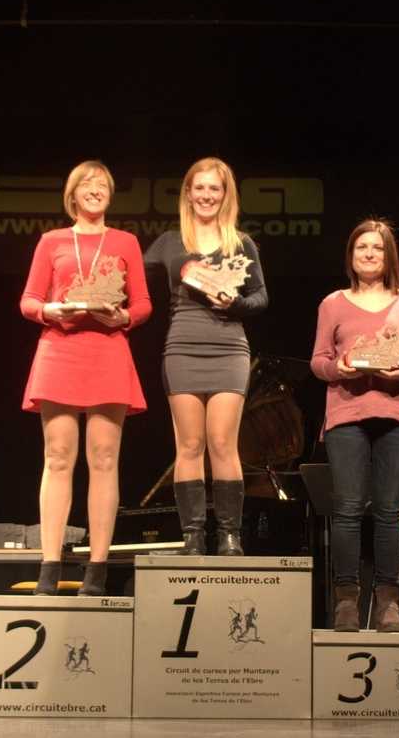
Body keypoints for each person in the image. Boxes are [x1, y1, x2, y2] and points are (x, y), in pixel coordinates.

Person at [20, 160, 151, 595]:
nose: (95, 190)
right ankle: (49, 566)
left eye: (103, 185)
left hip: (108, 350)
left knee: (104, 458)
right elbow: (28, 300)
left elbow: (143, 304)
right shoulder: (52, 241)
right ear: (73, 195)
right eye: (87, 184)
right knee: (58, 457)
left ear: (110, 195)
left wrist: (124, 317)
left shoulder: (126, 242)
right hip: (60, 349)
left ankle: (97, 569)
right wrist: (49, 310)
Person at [310, 219, 399, 632]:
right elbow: (319, 361)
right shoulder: (332, 303)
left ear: (388, 256)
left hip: (397, 416)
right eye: (362, 247)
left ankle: (388, 604)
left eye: (377, 248)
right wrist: (339, 369)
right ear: (351, 255)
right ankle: (346, 601)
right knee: (346, 510)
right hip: (347, 415)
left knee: (388, 513)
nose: (369, 254)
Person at [144, 157, 267, 556]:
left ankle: (230, 535)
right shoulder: (169, 242)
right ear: (188, 192)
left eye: (215, 188)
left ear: (225, 194)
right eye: (200, 187)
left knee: (222, 442)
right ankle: (193, 537)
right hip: (182, 348)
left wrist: (235, 303)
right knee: (190, 444)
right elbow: (130, 278)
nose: (207, 195)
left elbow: (261, 297)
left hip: (229, 348)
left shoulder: (241, 243)